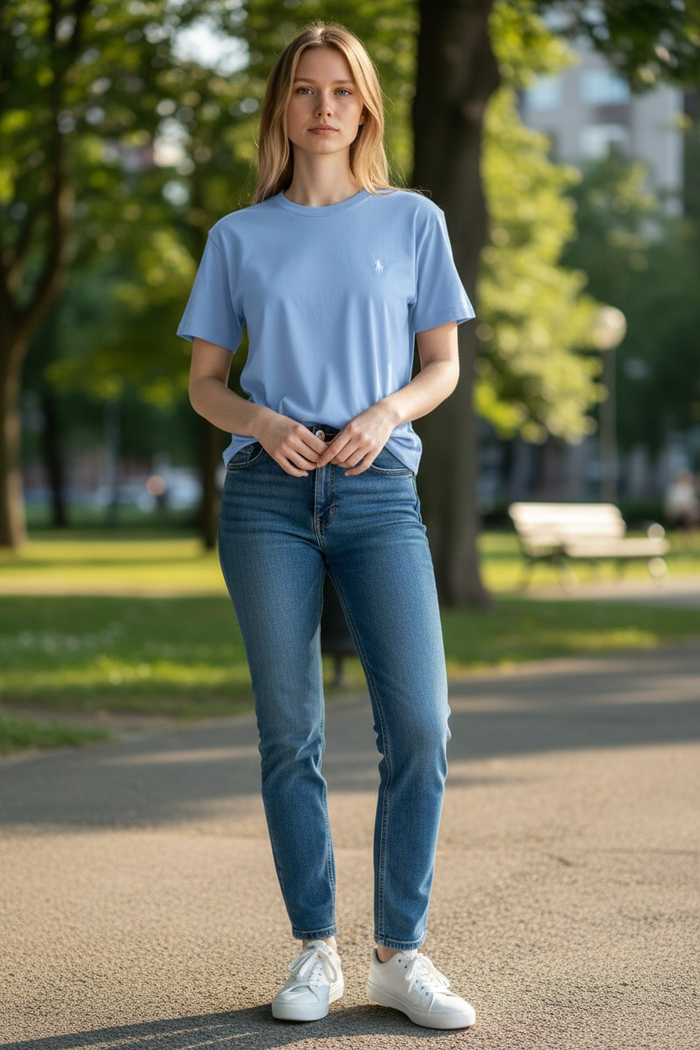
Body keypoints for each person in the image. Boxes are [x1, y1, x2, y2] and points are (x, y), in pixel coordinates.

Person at [177, 20, 476, 1031]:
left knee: (422, 729)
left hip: (379, 493)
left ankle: (399, 953)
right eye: (303, 90)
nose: (322, 108)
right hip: (266, 498)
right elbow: (205, 385)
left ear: (365, 105)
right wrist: (262, 420)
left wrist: (386, 411)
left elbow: (440, 364)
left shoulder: (412, 222)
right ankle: (316, 950)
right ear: (281, 108)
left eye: (340, 90)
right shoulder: (238, 237)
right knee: (290, 733)